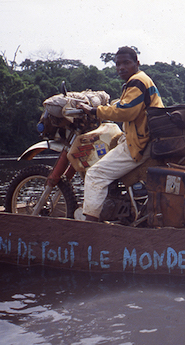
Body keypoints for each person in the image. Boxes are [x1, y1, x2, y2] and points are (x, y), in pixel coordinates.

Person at [77, 46, 164, 221]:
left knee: (95, 174)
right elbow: (126, 104)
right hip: (149, 138)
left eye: (126, 63)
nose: (121, 67)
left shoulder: (137, 81)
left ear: (137, 63)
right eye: (118, 64)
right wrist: (109, 106)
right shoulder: (140, 80)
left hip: (141, 142)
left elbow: (126, 111)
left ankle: (89, 225)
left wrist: (94, 111)